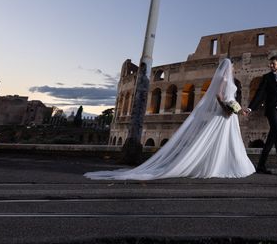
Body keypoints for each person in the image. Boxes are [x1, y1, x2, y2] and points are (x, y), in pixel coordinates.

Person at [84, 58, 255, 180]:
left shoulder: (228, 79)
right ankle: (218, 165)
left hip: (229, 115)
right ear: (228, 67)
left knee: (223, 141)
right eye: (232, 66)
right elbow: (219, 95)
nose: (233, 69)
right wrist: (226, 107)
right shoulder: (224, 79)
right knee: (217, 140)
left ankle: (221, 163)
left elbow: (230, 98)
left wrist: (239, 109)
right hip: (224, 113)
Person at [245, 56, 277, 177]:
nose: (271, 66)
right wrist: (251, 107)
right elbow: (260, 93)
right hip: (272, 110)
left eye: (273, 64)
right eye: (270, 64)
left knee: (271, 139)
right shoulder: (267, 77)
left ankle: (261, 165)